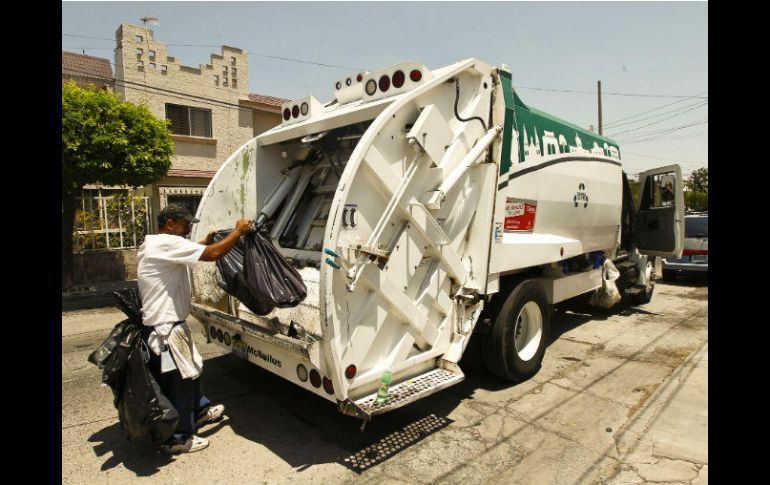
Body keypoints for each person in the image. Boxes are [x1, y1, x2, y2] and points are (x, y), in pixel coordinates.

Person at [137, 203, 251, 454]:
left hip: (167, 326)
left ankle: (199, 411)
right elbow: (211, 255)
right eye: (185, 223)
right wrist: (238, 232)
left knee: (192, 372)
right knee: (179, 381)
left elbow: (193, 252)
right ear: (169, 224)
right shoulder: (167, 242)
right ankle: (178, 437)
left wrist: (202, 241)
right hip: (165, 330)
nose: (188, 227)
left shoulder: (156, 244)